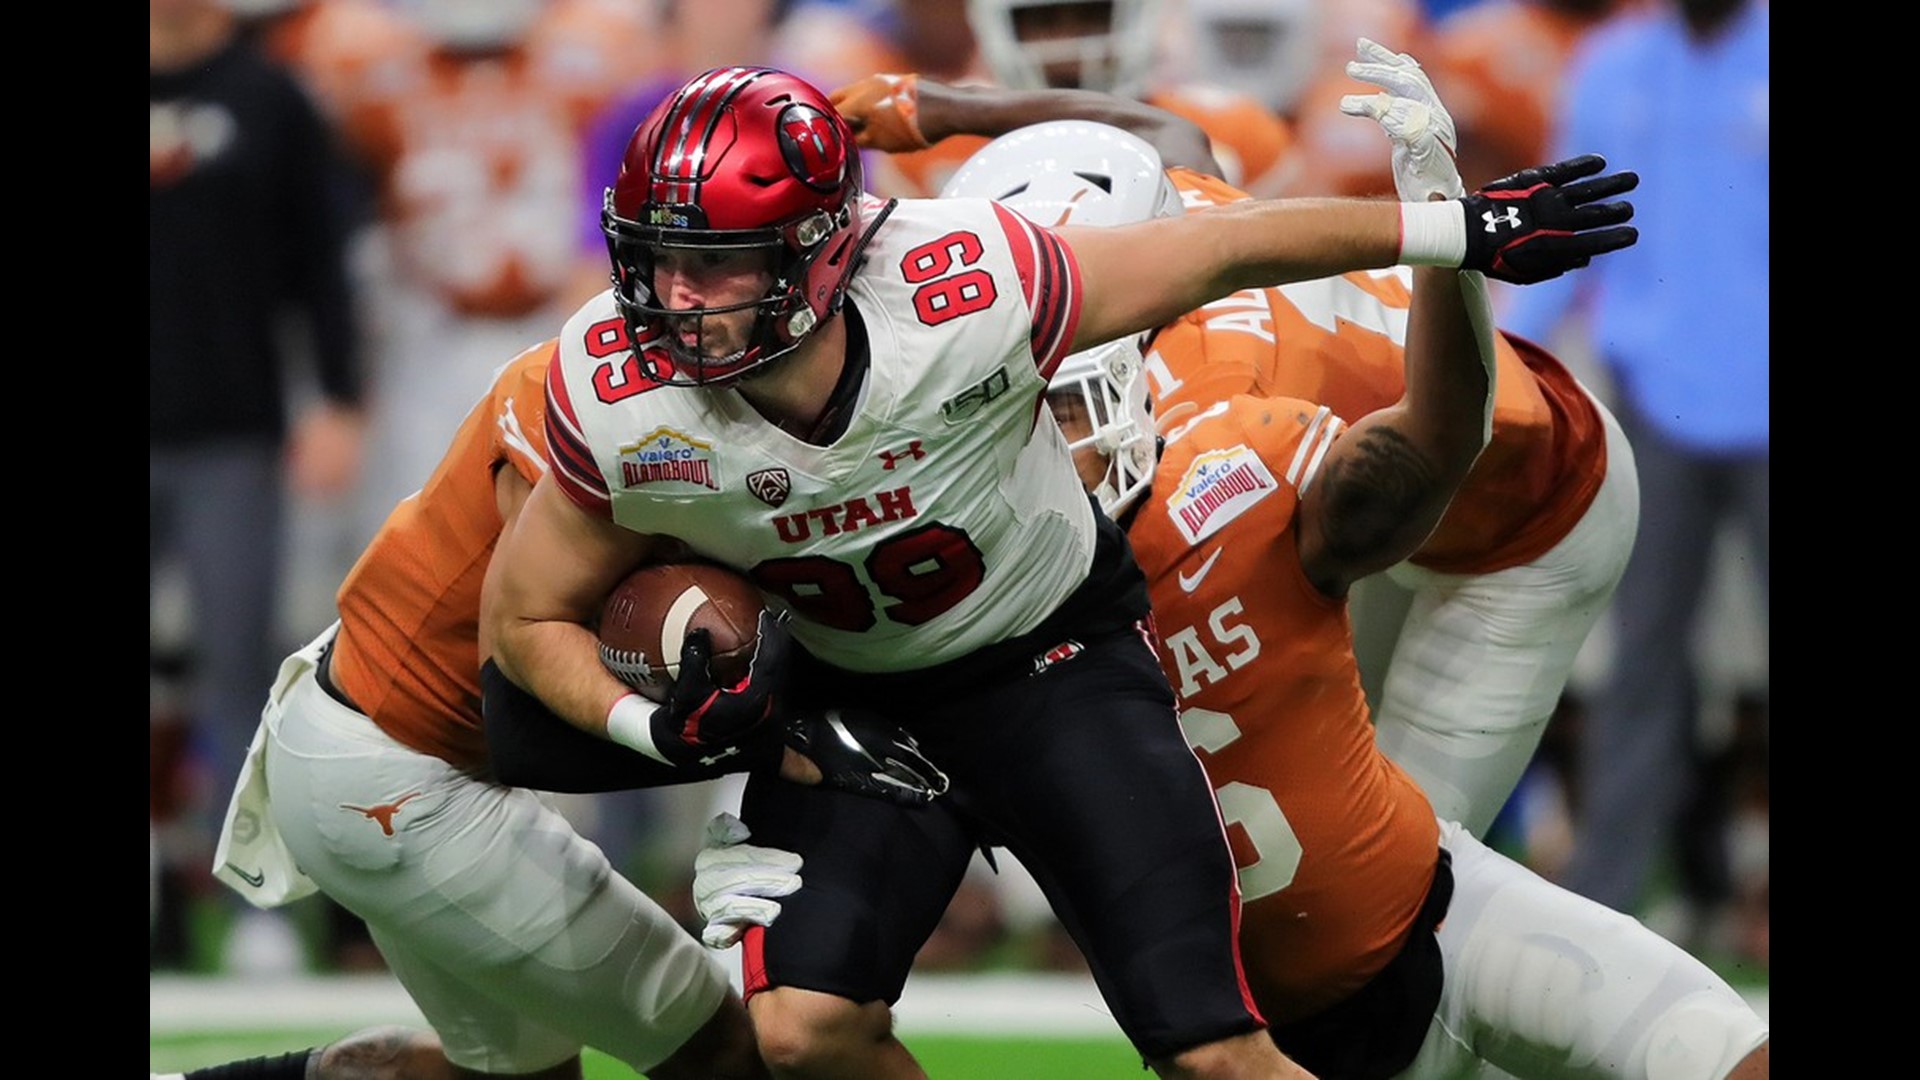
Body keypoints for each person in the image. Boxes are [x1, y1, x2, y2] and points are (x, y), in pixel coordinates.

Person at [482, 63, 1637, 1079]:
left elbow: (1226, 244)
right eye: (658, 260)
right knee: (802, 1035)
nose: (673, 301)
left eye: (714, 265)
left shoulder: (969, 287)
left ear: (821, 252)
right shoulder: (617, 386)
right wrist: (658, 726)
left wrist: (1455, 231)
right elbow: (525, 616)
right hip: (863, 699)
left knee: (1212, 1048)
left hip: (1053, 664)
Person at [837, 41, 1639, 838]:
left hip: (1525, 503)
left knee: (1395, 862)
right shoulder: (1170, 204)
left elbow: (1428, 450)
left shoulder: (1215, 406)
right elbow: (1156, 130)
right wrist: (940, 111)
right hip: (1374, 468)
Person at [187, 331, 943, 1080]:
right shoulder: (583, 398)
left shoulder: (717, 374)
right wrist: (766, 742)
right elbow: (522, 690)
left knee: (513, 1076)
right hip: (397, 776)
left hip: (364, 744)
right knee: (728, 1054)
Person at [1499, 0, 1768, 943]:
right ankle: (1608, 919)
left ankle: (1707, 892)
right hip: (1658, 403)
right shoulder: (1612, 66)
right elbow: (1566, 236)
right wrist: (1491, 357)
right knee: (1641, 671)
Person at [151, 0, 367, 971]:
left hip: (233, 431)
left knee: (242, 670)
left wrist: (338, 397)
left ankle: (252, 902)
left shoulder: (270, 95)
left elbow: (322, 262)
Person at [837, 0, 1296, 198]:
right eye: (1045, 20)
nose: (1067, 42)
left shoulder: (1237, 130)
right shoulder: (934, 148)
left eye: (1089, 15)